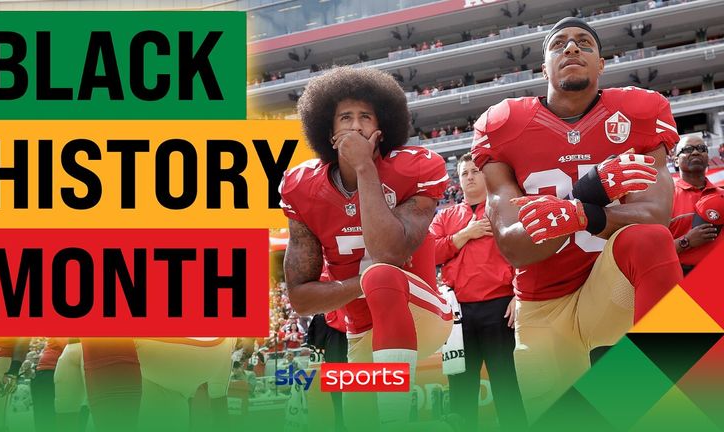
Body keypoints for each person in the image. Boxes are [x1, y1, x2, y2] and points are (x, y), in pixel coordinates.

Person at [471, 17, 683, 421]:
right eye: (559, 44)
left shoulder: (638, 112)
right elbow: (515, 247)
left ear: (601, 63)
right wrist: (590, 190)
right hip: (542, 305)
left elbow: (656, 216)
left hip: (610, 287)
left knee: (648, 240)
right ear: (543, 68)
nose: (571, 48)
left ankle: (661, 402)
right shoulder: (504, 124)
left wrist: (578, 211)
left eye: (584, 43)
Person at [280, 66, 452, 429]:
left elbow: (389, 252)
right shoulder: (302, 186)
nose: (355, 126)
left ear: (381, 129)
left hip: (421, 315)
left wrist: (364, 168)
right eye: (345, 118)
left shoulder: (413, 169)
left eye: (364, 117)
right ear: (328, 132)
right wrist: (360, 285)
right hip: (360, 331)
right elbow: (301, 297)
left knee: (383, 274)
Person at [429, 153, 527, 430]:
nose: (470, 176)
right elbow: (429, 253)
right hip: (458, 315)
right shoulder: (446, 215)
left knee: (508, 384)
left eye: (475, 171)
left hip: (499, 308)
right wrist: (464, 235)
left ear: (485, 175)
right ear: (458, 180)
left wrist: (518, 294)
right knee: (460, 388)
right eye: (464, 173)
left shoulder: (504, 209)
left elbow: (524, 251)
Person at [669, 135, 724, 275]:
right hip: (684, 278)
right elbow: (655, 252)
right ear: (675, 160)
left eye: (701, 148)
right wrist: (687, 241)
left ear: (707, 157)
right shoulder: (665, 198)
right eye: (688, 149)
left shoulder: (721, 194)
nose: (695, 152)